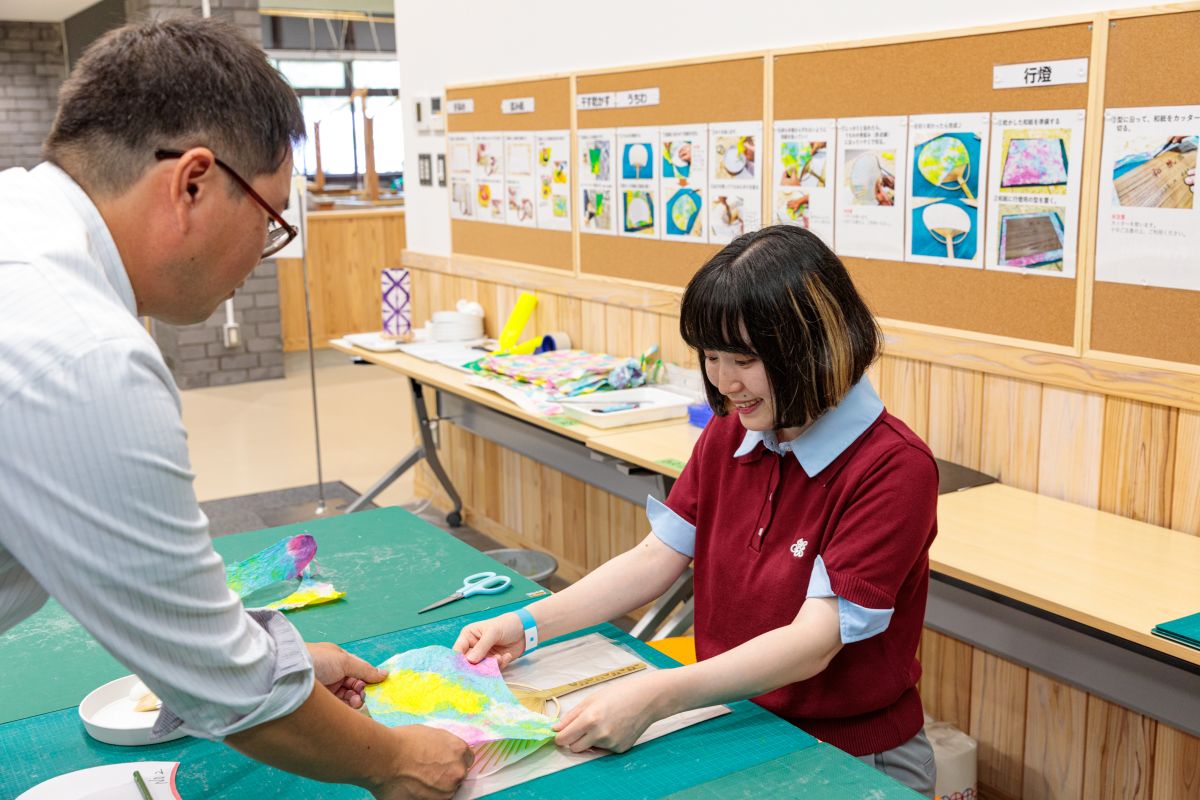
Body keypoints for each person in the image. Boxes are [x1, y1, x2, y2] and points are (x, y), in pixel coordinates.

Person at [0, 18, 470, 799]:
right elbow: (223, 683)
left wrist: (267, 656)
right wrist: (396, 761)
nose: (264, 254)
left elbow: (137, 577)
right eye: (272, 218)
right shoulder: (82, 350)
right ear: (191, 183)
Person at [455, 225, 940, 796]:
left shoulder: (893, 467)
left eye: (745, 359)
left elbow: (814, 641)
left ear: (814, 347)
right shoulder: (734, 432)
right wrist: (526, 625)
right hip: (736, 720)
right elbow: (656, 557)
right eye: (711, 356)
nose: (725, 381)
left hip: (851, 754)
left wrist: (658, 695)